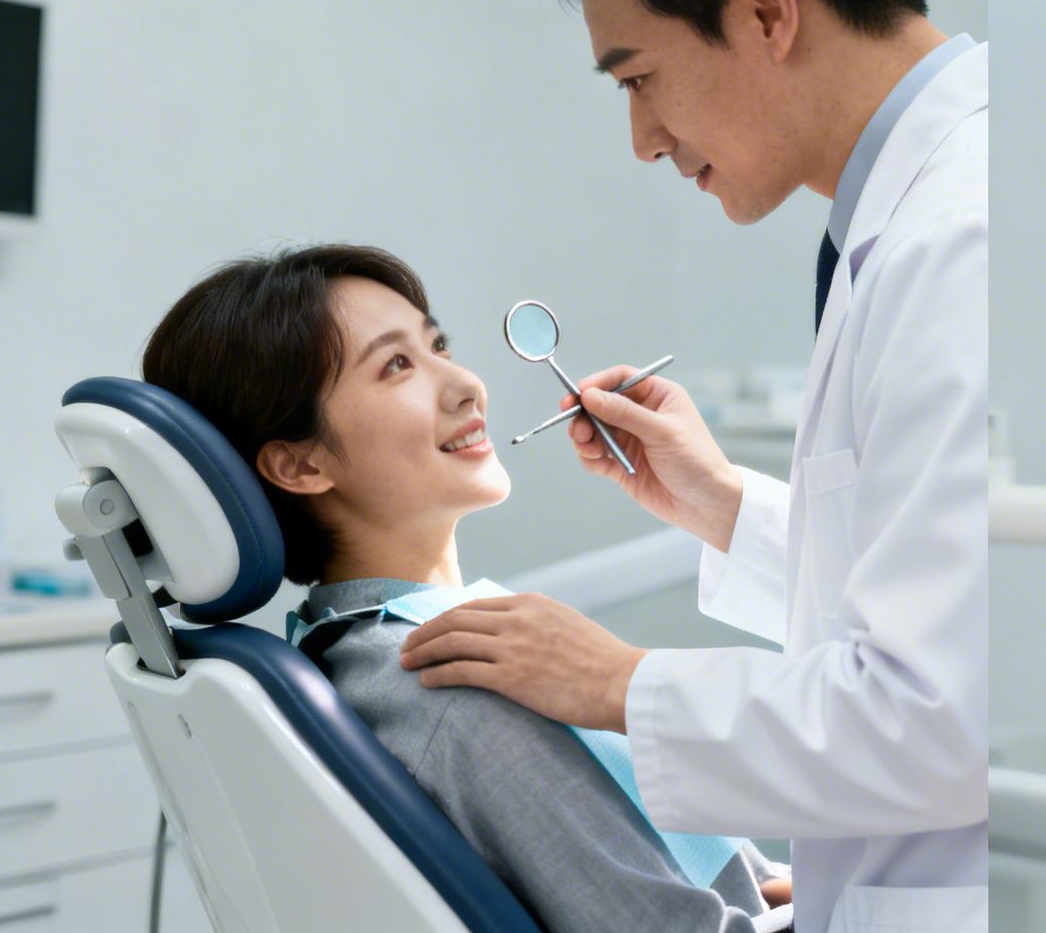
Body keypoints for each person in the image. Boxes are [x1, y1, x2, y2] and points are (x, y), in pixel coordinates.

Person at [397, 0, 988, 931]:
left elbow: (937, 720)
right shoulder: (901, 218)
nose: (644, 140)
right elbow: (901, 603)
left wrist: (615, 684)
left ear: (765, 8)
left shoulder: (955, 236)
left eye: (638, 78)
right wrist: (723, 508)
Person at [141, 244, 790, 933]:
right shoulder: (459, 688)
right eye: (396, 366)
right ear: (300, 464)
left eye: (438, 345)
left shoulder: (365, 647)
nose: (464, 385)